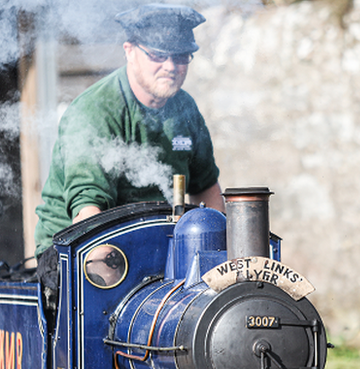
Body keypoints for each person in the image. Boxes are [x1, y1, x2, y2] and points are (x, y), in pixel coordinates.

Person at [33, 3, 225, 262]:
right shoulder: (93, 111)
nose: (171, 66)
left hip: (159, 243)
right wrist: (103, 266)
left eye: (181, 57)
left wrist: (219, 252)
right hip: (78, 247)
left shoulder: (185, 107)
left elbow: (206, 187)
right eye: (158, 55)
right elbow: (87, 209)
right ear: (130, 51)